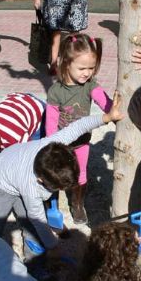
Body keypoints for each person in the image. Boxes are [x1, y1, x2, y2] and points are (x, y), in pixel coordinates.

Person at [0, 96, 122, 257]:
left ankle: (34, 261)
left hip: (14, 171)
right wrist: (53, 246)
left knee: (28, 225)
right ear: (40, 180)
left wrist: (107, 117)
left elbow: (77, 127)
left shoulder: (50, 144)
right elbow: (37, 217)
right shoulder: (31, 187)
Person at [46, 33, 112, 224]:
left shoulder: (90, 85)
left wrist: (113, 110)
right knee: (59, 172)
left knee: (81, 173)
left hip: (82, 142)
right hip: (62, 143)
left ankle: (77, 203)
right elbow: (51, 124)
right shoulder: (56, 92)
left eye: (91, 68)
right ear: (66, 63)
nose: (87, 73)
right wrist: (53, 146)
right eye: (82, 68)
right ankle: (52, 202)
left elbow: (104, 102)